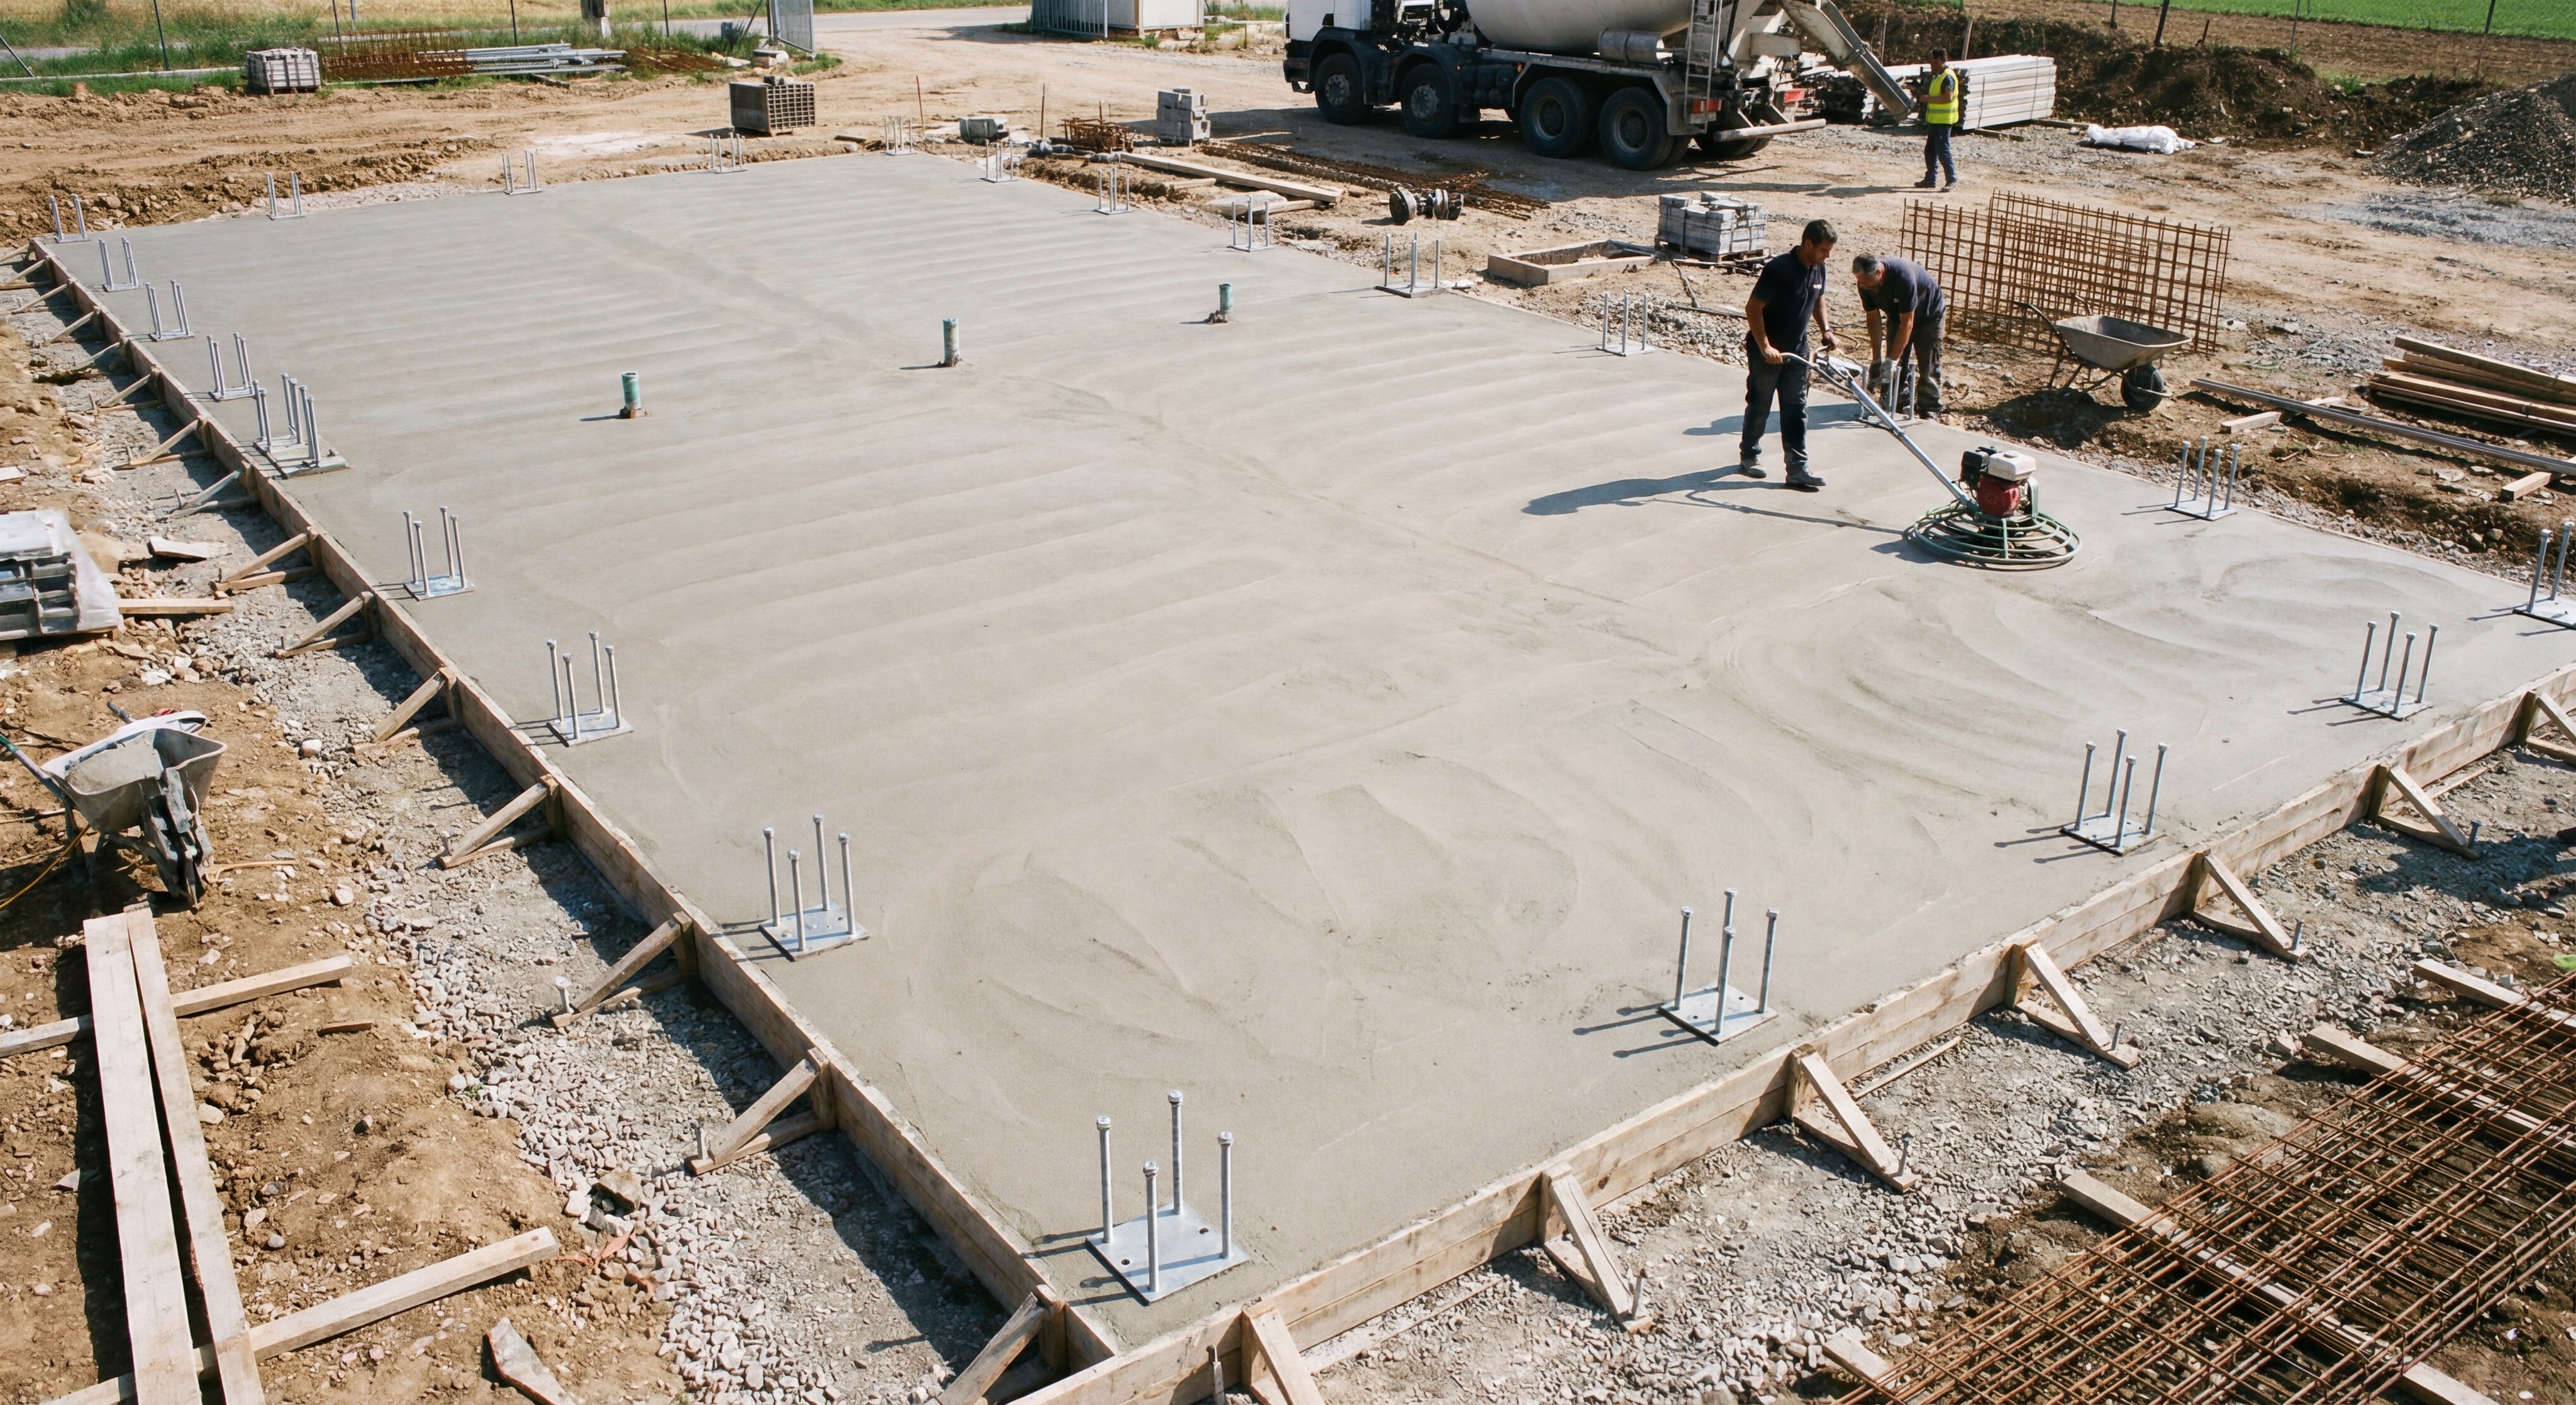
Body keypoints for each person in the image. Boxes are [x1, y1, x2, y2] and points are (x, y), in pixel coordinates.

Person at [1740, 219, 1840, 491]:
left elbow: (1818, 298)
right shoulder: (1779, 269)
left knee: (1796, 407)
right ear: (1808, 244)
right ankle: (1749, 454)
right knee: (1760, 402)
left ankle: (1797, 468)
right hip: (1767, 351)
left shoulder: (1819, 268)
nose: (1827, 256)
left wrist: (1826, 330)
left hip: (1798, 350)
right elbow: (1753, 308)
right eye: (1824, 250)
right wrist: (1765, 347)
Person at [1852, 253, 1948, 416]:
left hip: (1929, 317)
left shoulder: (1903, 278)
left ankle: (1929, 408)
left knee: (1928, 364)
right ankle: (1899, 402)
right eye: (1861, 283)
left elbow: (1908, 324)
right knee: (1897, 365)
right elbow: (1873, 319)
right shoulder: (1865, 283)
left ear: (1879, 273)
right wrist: (1877, 359)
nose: (1865, 287)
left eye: (1869, 284)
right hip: (1897, 317)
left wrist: (1892, 360)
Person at [1916, 48, 1962, 191]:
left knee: (1943, 151)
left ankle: (1951, 180)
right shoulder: (1939, 76)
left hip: (1943, 121)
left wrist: (1928, 99)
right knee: (1930, 151)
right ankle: (1930, 179)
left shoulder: (1947, 77)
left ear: (1941, 61)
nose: (1932, 65)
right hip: (1935, 121)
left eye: (1934, 63)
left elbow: (1947, 98)